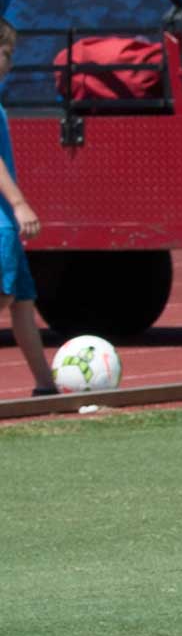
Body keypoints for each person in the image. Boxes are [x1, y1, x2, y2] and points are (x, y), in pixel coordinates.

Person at [0, 20, 58, 398]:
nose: (10, 63)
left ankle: (45, 386)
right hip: (1, 222)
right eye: (6, 54)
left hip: (5, 221)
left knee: (22, 304)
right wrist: (19, 204)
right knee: (4, 297)